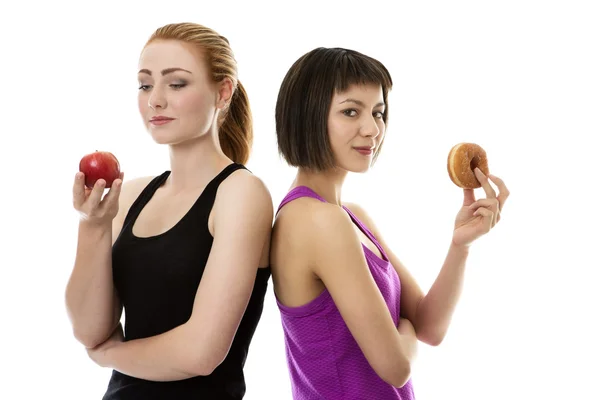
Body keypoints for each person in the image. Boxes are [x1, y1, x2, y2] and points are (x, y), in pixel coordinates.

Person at [270, 47, 510, 399]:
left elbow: (430, 327)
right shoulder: (317, 221)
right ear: (306, 116)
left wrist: (461, 244)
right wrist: (405, 331)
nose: (372, 129)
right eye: (351, 112)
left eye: (378, 113)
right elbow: (396, 367)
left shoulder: (350, 215)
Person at [65, 22, 273, 400]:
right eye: (145, 85)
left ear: (223, 92)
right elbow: (89, 329)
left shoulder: (241, 193)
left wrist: (110, 354)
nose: (155, 100)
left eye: (176, 84)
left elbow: (200, 354)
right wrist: (92, 225)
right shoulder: (129, 195)